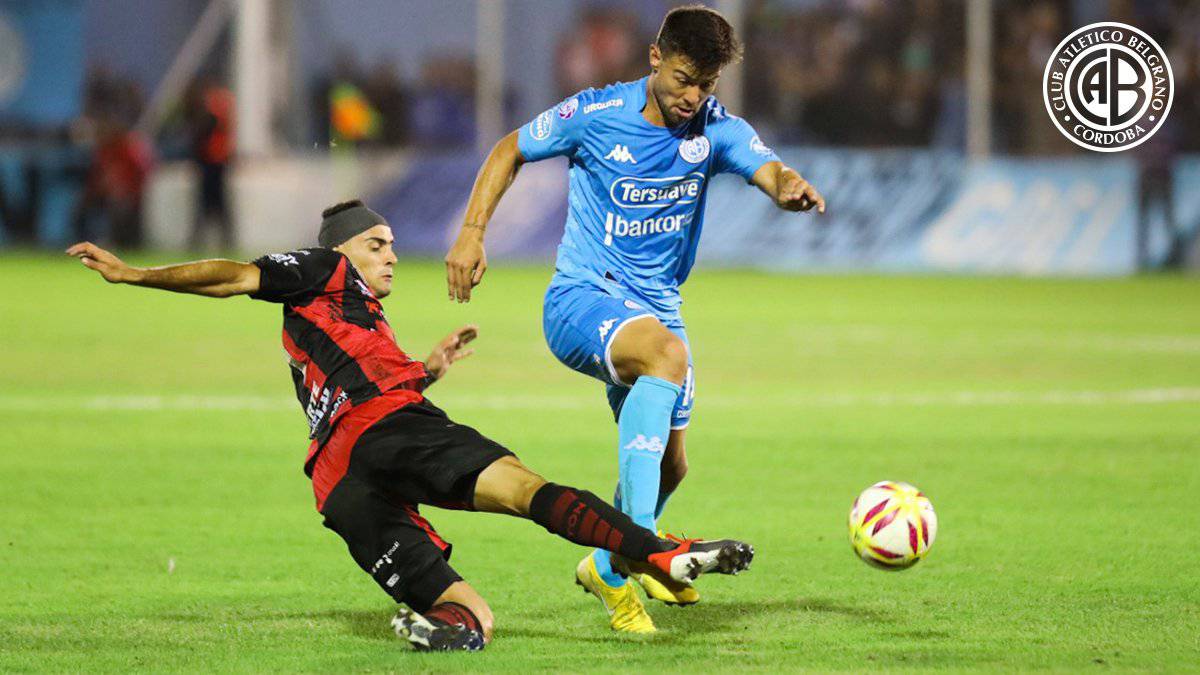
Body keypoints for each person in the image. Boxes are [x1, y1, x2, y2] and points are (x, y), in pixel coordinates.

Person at [66, 199, 752, 652]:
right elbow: (233, 275)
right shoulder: (322, 268)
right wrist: (136, 274)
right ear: (343, 249)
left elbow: (354, 374)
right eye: (377, 243)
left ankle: (440, 629)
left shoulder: (343, 313)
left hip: (340, 485)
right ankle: (655, 550)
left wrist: (426, 367)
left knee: (475, 618)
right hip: (386, 430)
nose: (391, 254)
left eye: (393, 244)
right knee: (523, 488)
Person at [445, 5, 824, 633]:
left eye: (706, 84)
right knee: (666, 357)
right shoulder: (595, 115)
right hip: (581, 300)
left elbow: (770, 167)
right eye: (682, 79)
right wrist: (472, 233)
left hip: (656, 309)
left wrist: (785, 186)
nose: (692, 96)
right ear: (655, 57)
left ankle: (609, 566)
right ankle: (651, 558)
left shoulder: (715, 129)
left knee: (672, 466)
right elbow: (511, 148)